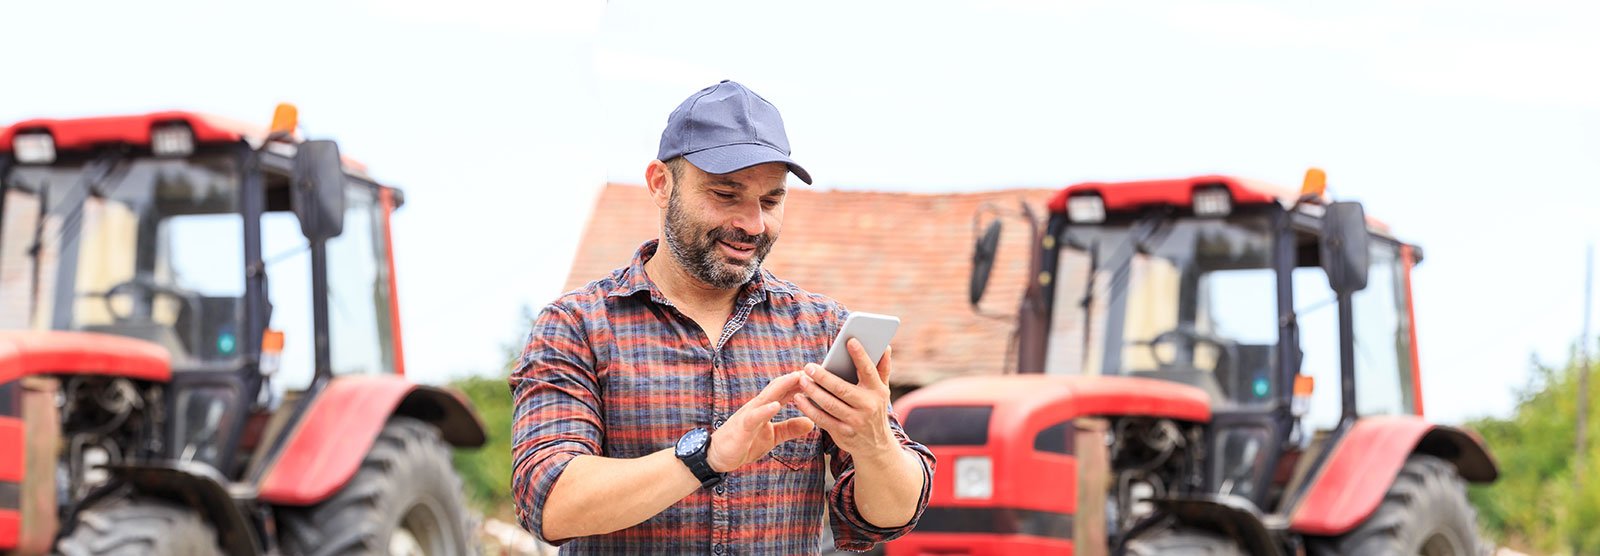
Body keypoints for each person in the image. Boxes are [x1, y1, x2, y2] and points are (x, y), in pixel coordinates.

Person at [510, 80, 934, 555]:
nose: (753, 224)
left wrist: (875, 443)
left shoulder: (822, 329)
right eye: (726, 194)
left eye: (770, 201)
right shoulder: (576, 327)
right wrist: (704, 458)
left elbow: (890, 519)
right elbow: (547, 499)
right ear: (660, 184)